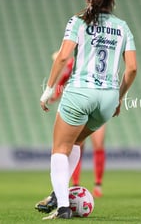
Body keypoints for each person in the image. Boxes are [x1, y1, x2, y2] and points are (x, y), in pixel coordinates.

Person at [37, 0, 137, 219]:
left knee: (60, 149)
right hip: (107, 99)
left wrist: (48, 90)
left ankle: (62, 206)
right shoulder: (122, 27)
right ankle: (57, 192)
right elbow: (132, 69)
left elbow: (62, 58)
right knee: (77, 142)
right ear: (113, 1)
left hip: (80, 92)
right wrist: (119, 99)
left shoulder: (78, 21)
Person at [49, 51, 106, 198]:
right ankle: (75, 183)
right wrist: (54, 95)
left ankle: (98, 184)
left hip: (96, 106)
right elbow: (63, 80)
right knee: (76, 144)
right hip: (80, 106)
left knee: (98, 145)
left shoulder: (99, 61)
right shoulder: (74, 63)